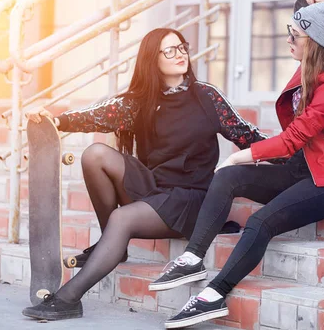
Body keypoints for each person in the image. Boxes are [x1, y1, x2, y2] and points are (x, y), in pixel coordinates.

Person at [21, 27, 268, 321]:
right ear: (154, 59)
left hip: (191, 200)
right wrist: (56, 120)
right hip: (156, 187)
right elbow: (100, 114)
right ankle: (111, 245)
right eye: (170, 51)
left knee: (121, 218)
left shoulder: (207, 96)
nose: (180, 55)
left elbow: (247, 135)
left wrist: (296, 150)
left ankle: (68, 298)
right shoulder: (142, 101)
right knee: (94, 155)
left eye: (182, 47)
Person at [152, 0, 324, 329]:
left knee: (260, 223)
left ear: (314, 43)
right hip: (300, 168)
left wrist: (242, 153)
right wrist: (309, 3)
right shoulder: (312, 67)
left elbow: (295, 137)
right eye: (289, 30)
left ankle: (213, 296)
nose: (288, 39)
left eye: (294, 34)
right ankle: (193, 257)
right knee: (228, 178)